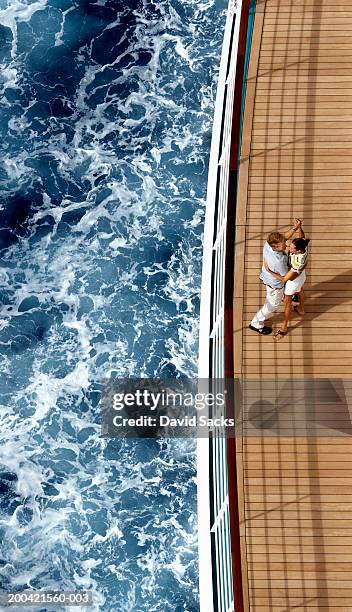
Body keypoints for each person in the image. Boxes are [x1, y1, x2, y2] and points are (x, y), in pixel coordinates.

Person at [249, 218, 304, 335]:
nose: (286, 244)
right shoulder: (278, 261)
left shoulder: (269, 244)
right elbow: (286, 277)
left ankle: (292, 295)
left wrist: (294, 228)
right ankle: (256, 323)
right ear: (275, 247)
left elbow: (285, 237)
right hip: (274, 284)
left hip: (267, 276)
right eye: (283, 244)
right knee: (272, 306)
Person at [263, 232, 310, 341]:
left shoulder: (298, 264)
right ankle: (301, 309)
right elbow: (301, 237)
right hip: (301, 277)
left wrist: (269, 271)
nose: (289, 248)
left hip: (293, 281)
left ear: (298, 251)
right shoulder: (304, 246)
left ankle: (284, 327)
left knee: (287, 303)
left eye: (292, 248)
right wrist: (298, 227)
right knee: (300, 290)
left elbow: (285, 279)